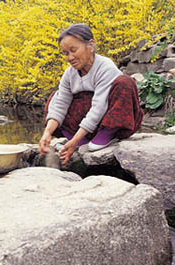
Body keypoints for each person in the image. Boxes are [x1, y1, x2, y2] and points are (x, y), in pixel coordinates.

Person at [38, 23, 143, 165]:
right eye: (65, 53)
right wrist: (47, 133)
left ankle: (106, 135)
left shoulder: (105, 67)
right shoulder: (69, 74)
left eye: (73, 50)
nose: (70, 57)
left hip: (109, 121)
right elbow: (61, 104)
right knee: (54, 98)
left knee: (125, 83)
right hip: (86, 127)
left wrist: (74, 141)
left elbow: (99, 106)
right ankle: (81, 139)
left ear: (91, 46)